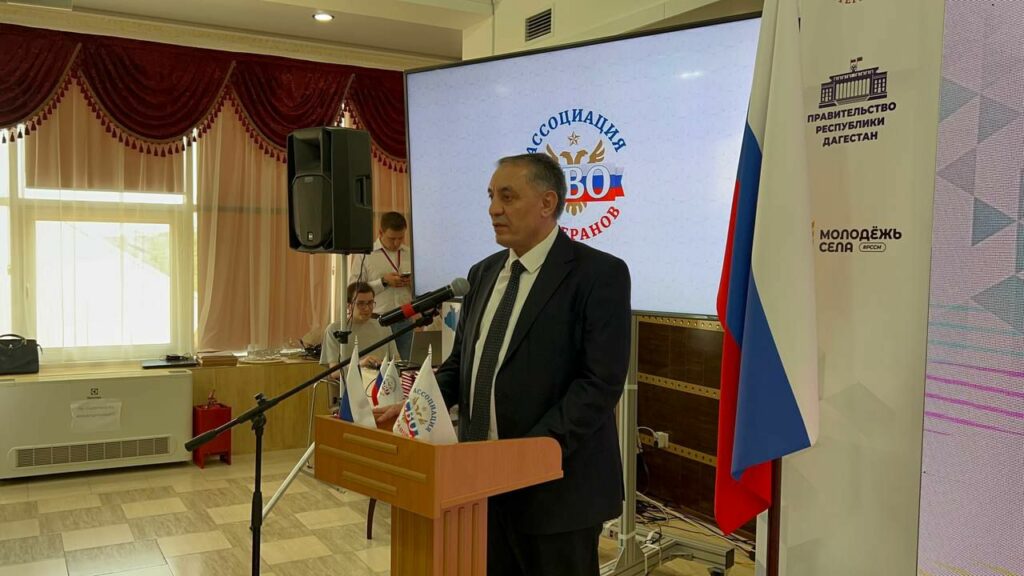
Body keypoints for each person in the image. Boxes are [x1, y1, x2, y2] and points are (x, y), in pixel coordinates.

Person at [376, 153, 631, 575]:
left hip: (557, 489)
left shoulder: (598, 274)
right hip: (481, 483)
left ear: (547, 203)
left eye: (508, 197)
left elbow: (599, 382)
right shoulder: (483, 273)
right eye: (491, 196)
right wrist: (417, 405)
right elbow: (462, 364)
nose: (494, 209)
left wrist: (525, 456)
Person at [349, 211, 414, 360]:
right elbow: (354, 288)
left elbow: (422, 288)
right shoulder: (365, 255)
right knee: (378, 365)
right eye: (392, 238)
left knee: (405, 366)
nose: (397, 243)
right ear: (380, 232)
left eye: (401, 238)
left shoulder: (410, 253)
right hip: (378, 320)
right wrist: (383, 282)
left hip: (405, 320)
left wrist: (412, 282)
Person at [321, 282, 401, 370]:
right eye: (361, 303)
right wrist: (360, 364)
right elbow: (334, 372)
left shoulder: (383, 327)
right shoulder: (334, 330)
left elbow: (396, 361)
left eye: (370, 303)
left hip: (380, 377)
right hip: (352, 378)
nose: (367, 308)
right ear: (348, 306)